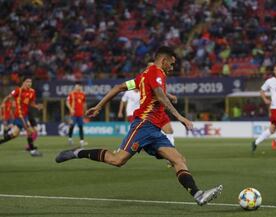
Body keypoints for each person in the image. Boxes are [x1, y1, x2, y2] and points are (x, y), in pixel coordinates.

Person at [55, 46, 222, 205]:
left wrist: (99, 106)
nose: (172, 68)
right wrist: (180, 117)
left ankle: (198, 195)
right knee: (118, 160)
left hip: (154, 130)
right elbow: (159, 95)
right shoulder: (156, 72)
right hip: (143, 125)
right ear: (163, 60)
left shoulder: (144, 76)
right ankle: (77, 153)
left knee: (178, 159)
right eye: (171, 64)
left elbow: (120, 87)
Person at [0, 78, 43, 156]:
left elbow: (31, 103)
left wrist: (36, 106)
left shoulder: (32, 92)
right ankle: (32, 151)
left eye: (30, 82)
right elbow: (9, 97)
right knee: (30, 131)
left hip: (25, 115)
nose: (29, 83)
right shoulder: (18, 91)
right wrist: (3, 103)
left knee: (14, 134)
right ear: (23, 83)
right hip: (19, 115)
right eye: (27, 82)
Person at [66, 82, 87, 146]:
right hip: (73, 114)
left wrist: (85, 111)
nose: (78, 88)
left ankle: (82, 141)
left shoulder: (82, 94)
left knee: (81, 127)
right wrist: (71, 109)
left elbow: (84, 103)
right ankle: (69, 139)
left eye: (79, 86)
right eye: (77, 86)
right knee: (72, 126)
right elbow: (67, 102)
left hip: (80, 114)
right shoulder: (71, 94)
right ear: (75, 87)